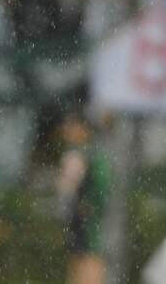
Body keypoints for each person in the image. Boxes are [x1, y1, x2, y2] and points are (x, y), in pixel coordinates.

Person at [56, 111, 111, 284]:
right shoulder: (79, 153)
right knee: (78, 256)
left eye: (72, 126)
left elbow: (101, 188)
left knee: (89, 256)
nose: (67, 131)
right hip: (77, 216)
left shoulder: (90, 154)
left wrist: (89, 205)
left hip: (85, 217)